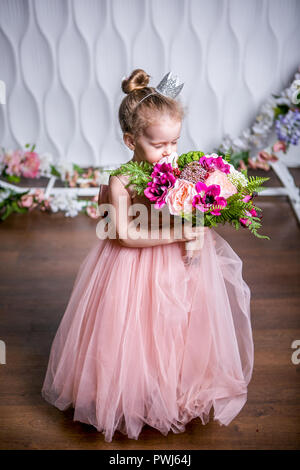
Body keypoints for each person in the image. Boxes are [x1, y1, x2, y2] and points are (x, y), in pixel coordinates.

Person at [41, 69, 254, 443]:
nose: (169, 152)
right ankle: (130, 390)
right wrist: (178, 232)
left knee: (177, 325)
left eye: (174, 141)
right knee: (131, 327)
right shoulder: (120, 181)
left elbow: (194, 210)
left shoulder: (176, 167)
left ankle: (171, 388)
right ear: (130, 139)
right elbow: (123, 235)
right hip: (129, 267)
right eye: (160, 145)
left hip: (175, 263)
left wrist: (198, 227)